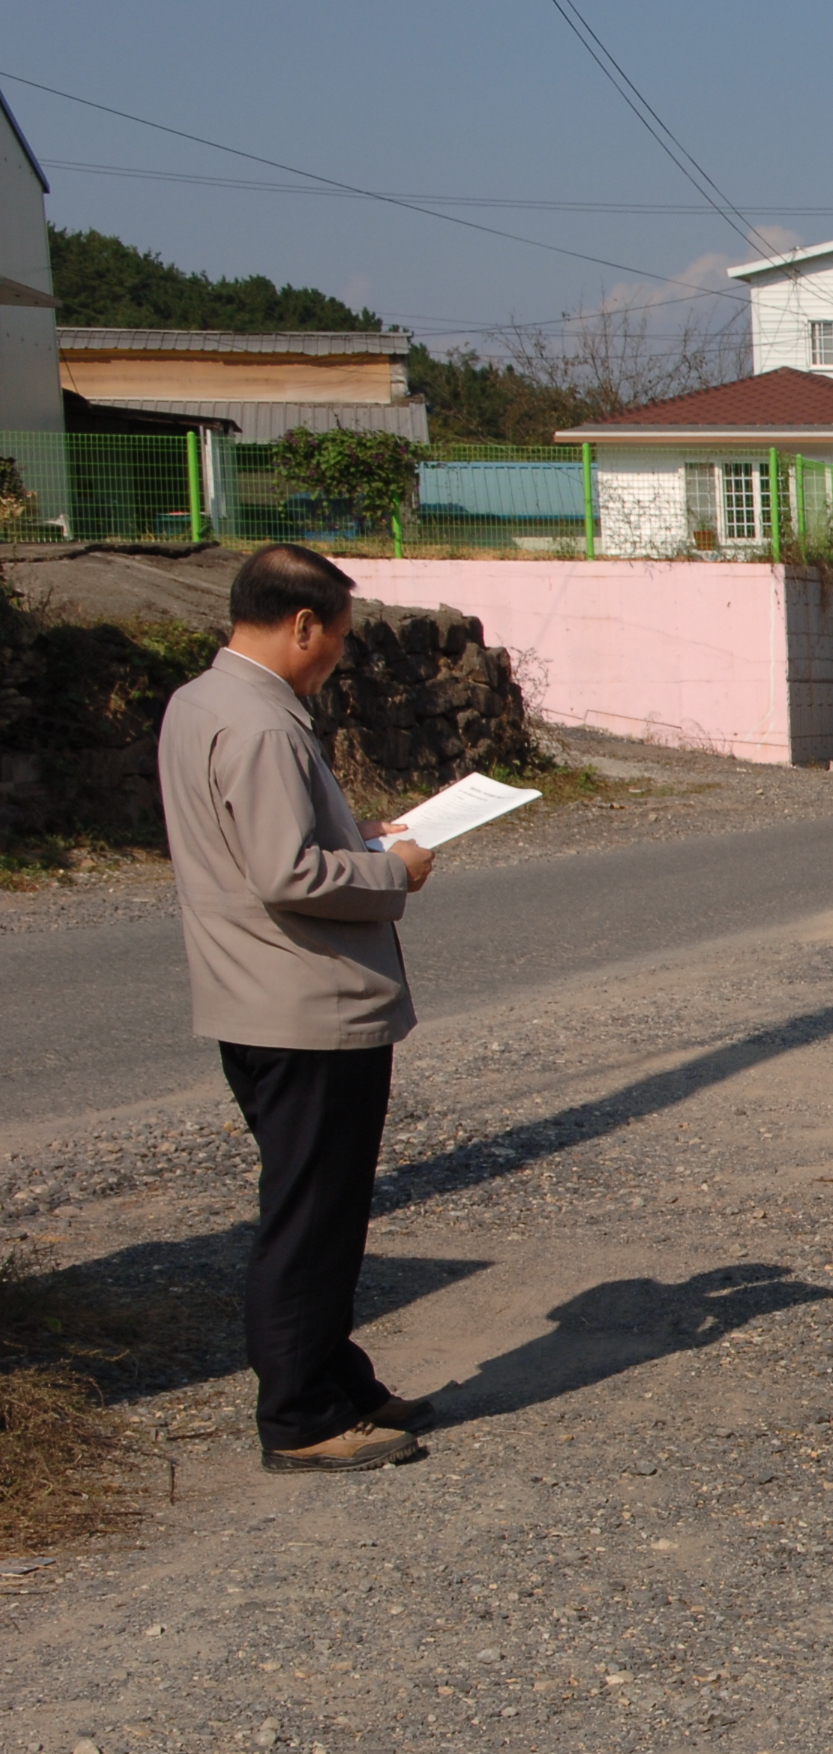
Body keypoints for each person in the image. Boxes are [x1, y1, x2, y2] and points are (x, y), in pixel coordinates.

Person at [159, 544, 440, 1475]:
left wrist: (355, 836)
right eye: (338, 642)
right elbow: (290, 874)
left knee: (317, 1208)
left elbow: (259, 846)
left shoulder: (202, 702)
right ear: (304, 625)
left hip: (253, 995)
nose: (338, 662)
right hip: (305, 1004)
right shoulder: (264, 726)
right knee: (311, 1218)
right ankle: (301, 1416)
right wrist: (390, 868)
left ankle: (336, 1379)